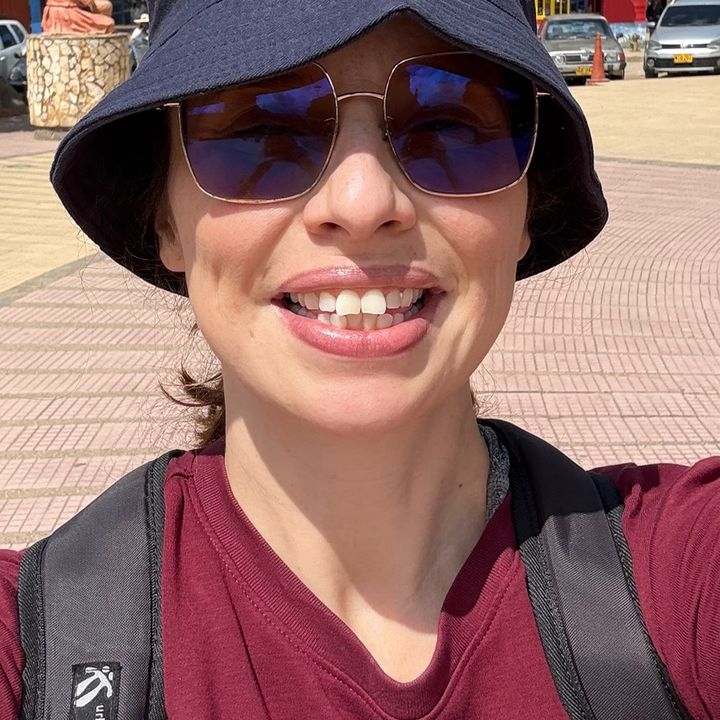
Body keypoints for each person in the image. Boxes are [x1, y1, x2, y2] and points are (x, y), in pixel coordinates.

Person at [1, 1, 718, 719]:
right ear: (166, 217)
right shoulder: (35, 647)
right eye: (261, 132)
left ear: (526, 207)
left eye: (449, 125)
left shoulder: (678, 571)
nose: (363, 201)